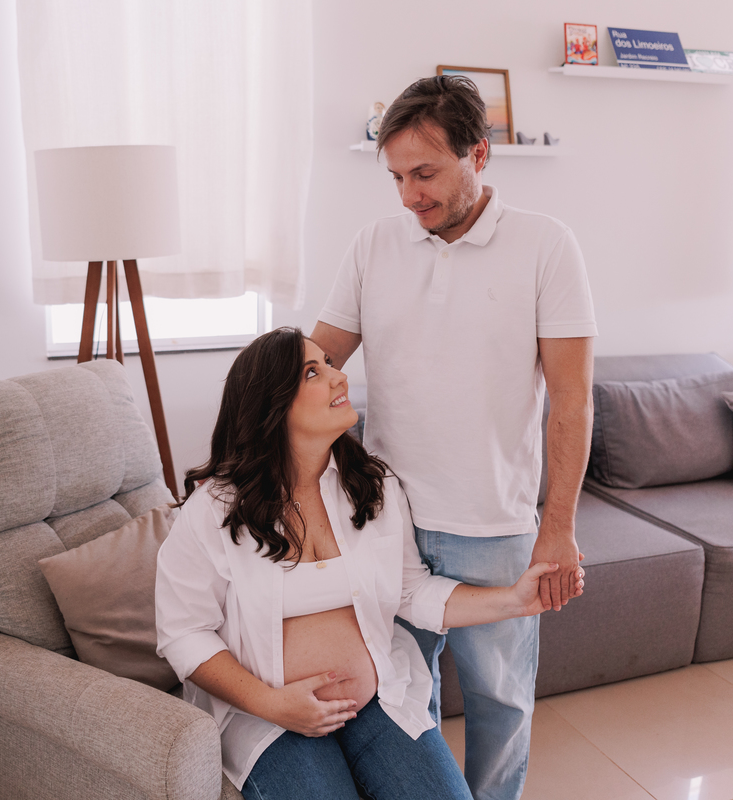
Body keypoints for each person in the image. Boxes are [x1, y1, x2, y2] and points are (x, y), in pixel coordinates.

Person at [310, 75, 597, 800]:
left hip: (493, 527)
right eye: (397, 177)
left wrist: (557, 529)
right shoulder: (374, 244)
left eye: (426, 173)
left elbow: (570, 399)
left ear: (479, 154)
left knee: (501, 702)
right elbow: (314, 365)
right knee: (402, 698)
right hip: (387, 521)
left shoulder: (547, 246)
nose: (409, 196)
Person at [155, 327, 583, 800]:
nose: (339, 378)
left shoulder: (371, 487)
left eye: (330, 364)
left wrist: (515, 600)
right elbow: (183, 633)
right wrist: (273, 704)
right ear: (271, 407)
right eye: (313, 372)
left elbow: (411, 592)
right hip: (269, 720)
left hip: (379, 704)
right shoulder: (214, 509)